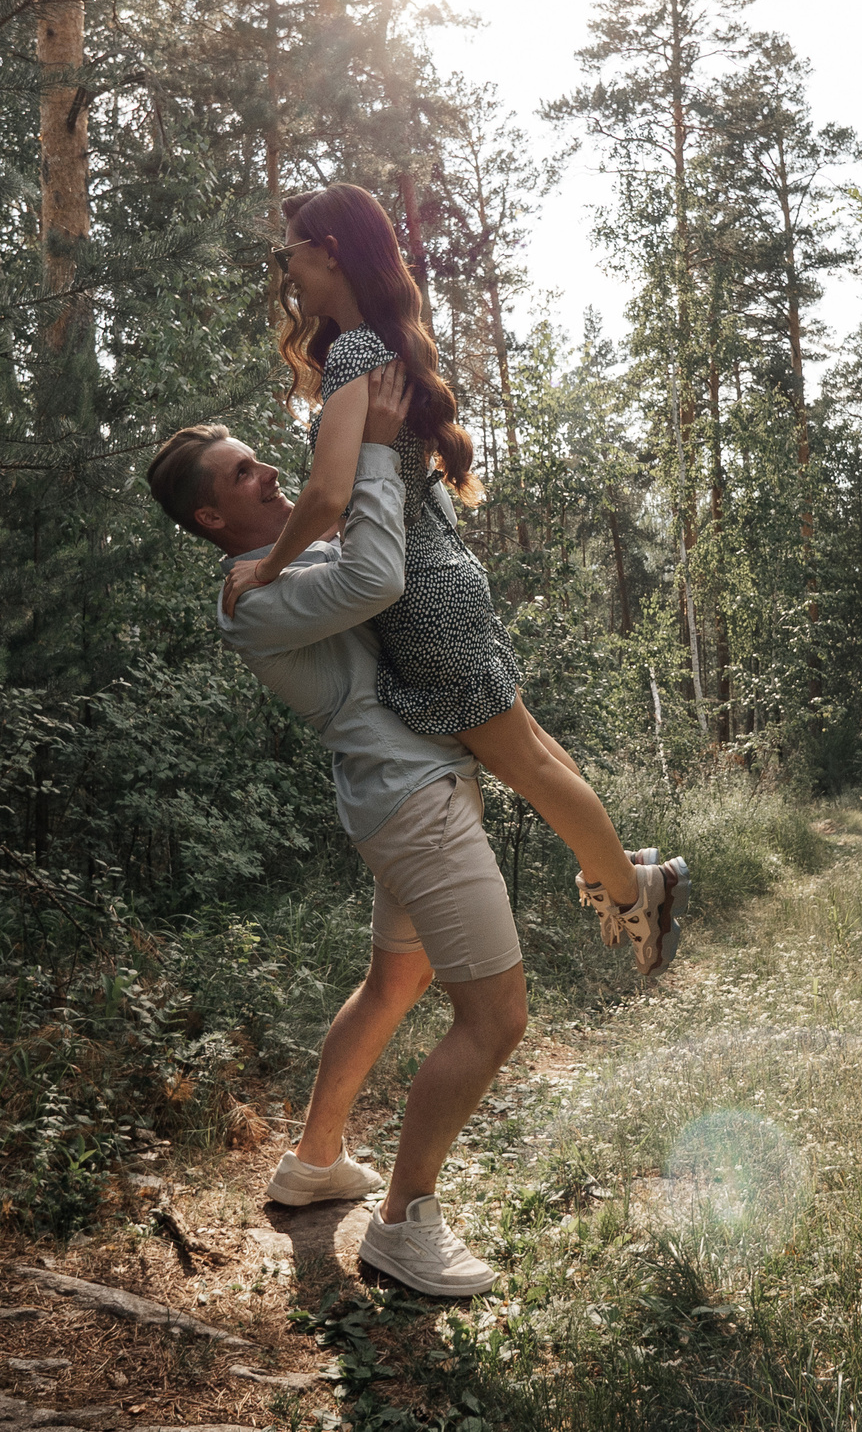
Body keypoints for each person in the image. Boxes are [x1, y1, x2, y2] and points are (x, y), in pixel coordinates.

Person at [221, 182, 688, 975]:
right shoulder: (385, 348)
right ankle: (626, 869)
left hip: (425, 603)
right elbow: (363, 495)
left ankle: (639, 893)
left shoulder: (352, 360)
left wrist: (268, 565)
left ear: (327, 251)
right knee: (532, 746)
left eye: (288, 250)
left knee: (528, 765)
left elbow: (332, 495)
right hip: (448, 582)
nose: (283, 269)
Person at [145, 366, 511, 1296]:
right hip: (415, 800)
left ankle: (314, 1162)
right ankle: (403, 1223)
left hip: (408, 790)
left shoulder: (286, 562)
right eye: (241, 476)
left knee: (396, 979)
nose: (269, 473)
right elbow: (381, 573)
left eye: (260, 460)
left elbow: (368, 543)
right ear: (211, 521)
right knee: (496, 1018)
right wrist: (378, 454)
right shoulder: (254, 596)